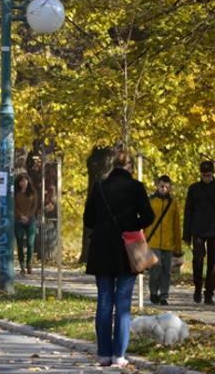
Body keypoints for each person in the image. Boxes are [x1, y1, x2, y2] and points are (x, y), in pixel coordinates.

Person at [83, 150, 154, 368]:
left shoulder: (100, 187)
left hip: (102, 251)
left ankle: (104, 353)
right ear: (130, 166)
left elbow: (88, 219)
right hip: (127, 252)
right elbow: (149, 216)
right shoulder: (136, 188)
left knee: (104, 301)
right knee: (123, 303)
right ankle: (119, 355)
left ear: (114, 165)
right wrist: (132, 226)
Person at [146, 175, 182, 305]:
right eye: (162, 186)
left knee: (166, 270)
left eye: (167, 187)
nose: (164, 189)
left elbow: (176, 225)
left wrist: (178, 246)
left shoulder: (172, 203)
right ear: (157, 185)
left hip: (168, 242)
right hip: (153, 241)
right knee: (155, 268)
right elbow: (145, 222)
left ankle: (164, 296)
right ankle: (154, 292)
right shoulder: (150, 201)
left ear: (170, 188)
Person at [183, 160, 215, 305]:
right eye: (204, 175)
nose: (206, 178)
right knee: (198, 261)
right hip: (198, 229)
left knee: (213, 264)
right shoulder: (194, 188)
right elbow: (188, 211)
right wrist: (186, 234)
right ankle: (197, 287)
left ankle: (209, 292)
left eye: (208, 175)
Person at [14, 173, 39, 275]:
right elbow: (14, 206)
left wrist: (28, 216)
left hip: (30, 220)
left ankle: (29, 264)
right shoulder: (15, 193)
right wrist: (21, 216)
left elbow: (35, 206)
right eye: (21, 181)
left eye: (24, 181)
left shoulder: (33, 192)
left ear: (28, 181)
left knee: (30, 243)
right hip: (18, 220)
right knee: (19, 243)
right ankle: (22, 266)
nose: (23, 183)